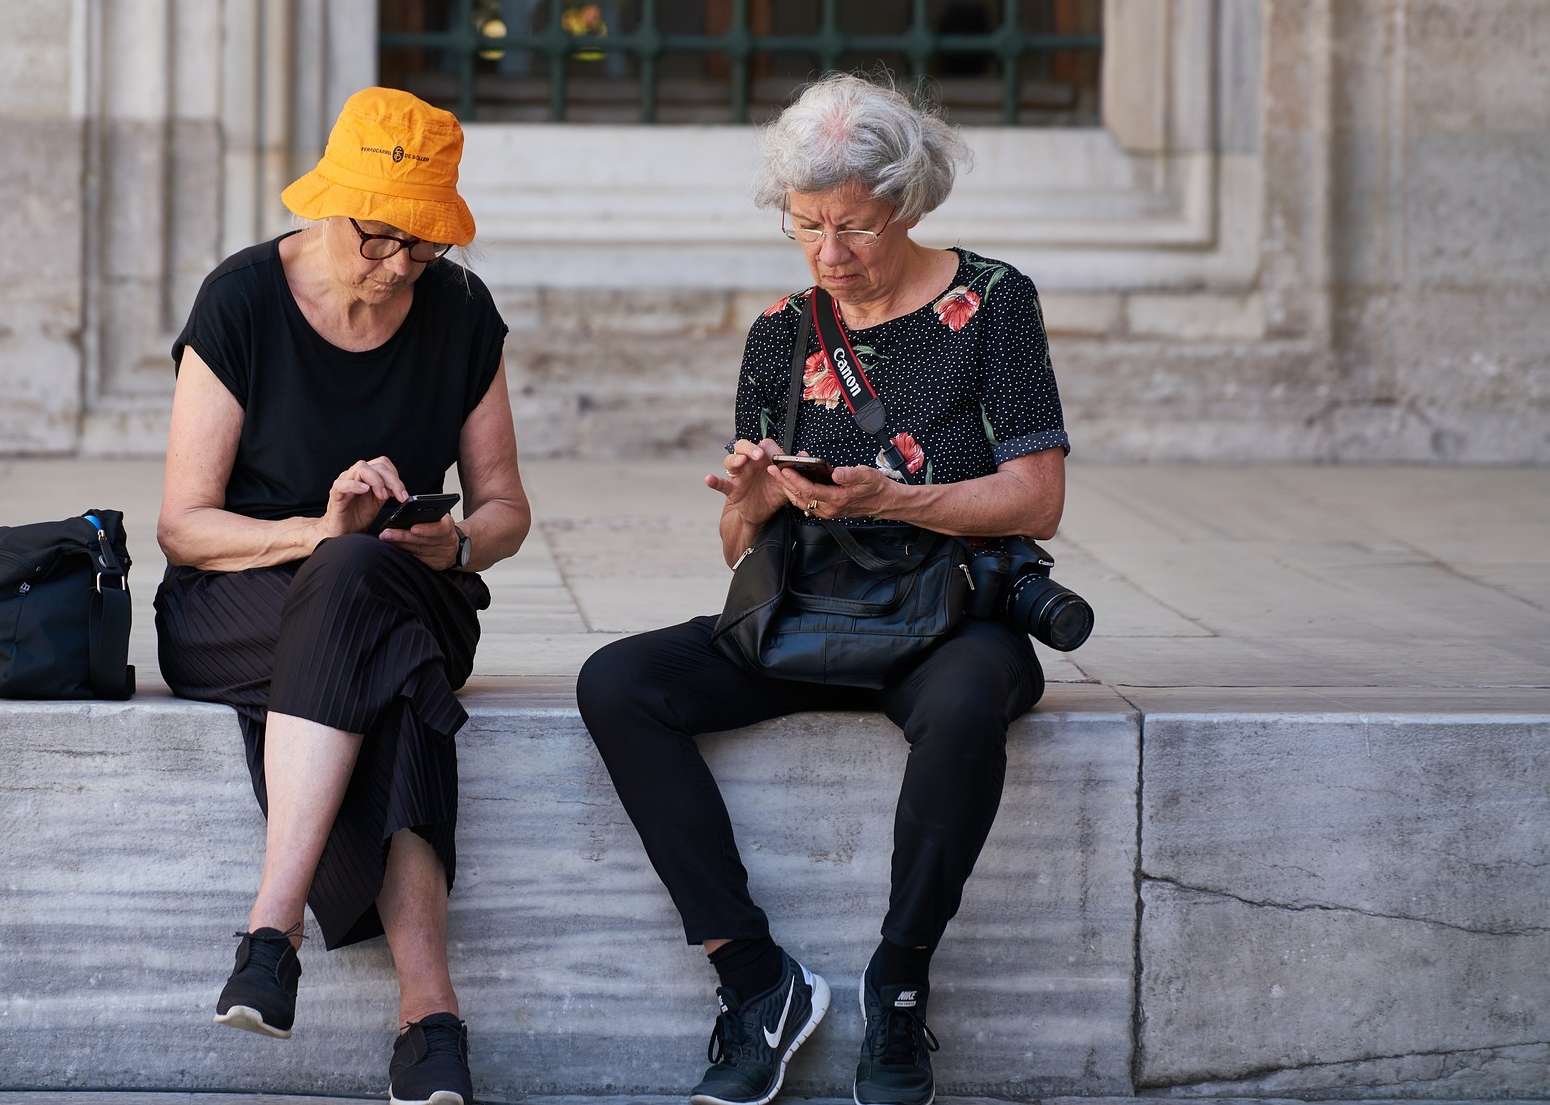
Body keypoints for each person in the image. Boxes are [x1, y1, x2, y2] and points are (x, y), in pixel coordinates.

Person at [576, 71, 1069, 1105]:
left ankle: (898, 982)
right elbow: (732, 547)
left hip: (943, 615)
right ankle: (755, 981)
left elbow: (1037, 496)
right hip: (807, 609)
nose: (831, 254)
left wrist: (898, 498)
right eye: (807, 226)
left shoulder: (997, 301)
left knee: (976, 695)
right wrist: (753, 500)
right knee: (619, 681)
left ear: (909, 204)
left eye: (855, 226)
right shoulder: (780, 331)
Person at [155, 87, 531, 1105]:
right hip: (240, 598)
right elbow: (182, 522)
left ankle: (271, 934)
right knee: (378, 635)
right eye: (382, 238)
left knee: (371, 592)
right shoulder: (240, 300)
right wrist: (318, 534)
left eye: (423, 247)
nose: (401, 264)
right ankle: (429, 1014)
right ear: (331, 204)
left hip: (411, 585)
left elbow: (505, 511)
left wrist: (455, 542)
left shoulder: (459, 311)